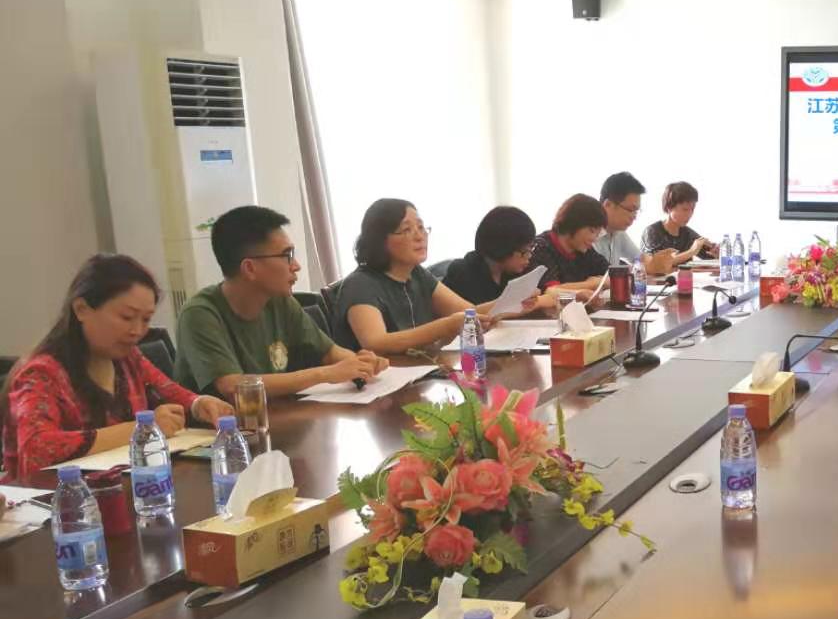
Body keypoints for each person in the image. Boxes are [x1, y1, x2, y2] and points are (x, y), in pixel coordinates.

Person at [3, 255, 231, 478]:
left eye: (146, 319)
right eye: (126, 317)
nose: (137, 331)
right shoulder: (40, 374)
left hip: (124, 486)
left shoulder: (128, 358)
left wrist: (199, 404)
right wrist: (142, 428)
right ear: (81, 309)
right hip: (53, 496)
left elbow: (168, 389)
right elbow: (38, 449)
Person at [174, 205, 389, 398]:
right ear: (250, 268)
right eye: (287, 256)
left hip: (277, 416)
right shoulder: (200, 314)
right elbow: (232, 386)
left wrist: (360, 363)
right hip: (224, 428)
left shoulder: (280, 301)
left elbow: (329, 352)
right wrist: (325, 374)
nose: (296, 266)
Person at [332, 199, 496, 355]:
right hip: (384, 373)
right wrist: (447, 326)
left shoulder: (416, 273)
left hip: (422, 368)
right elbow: (376, 343)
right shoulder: (360, 284)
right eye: (407, 230)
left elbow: (469, 312)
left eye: (421, 227)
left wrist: (510, 303)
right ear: (379, 240)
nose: (420, 236)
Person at [441, 206, 556, 313]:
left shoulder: (514, 271)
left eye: (531, 248)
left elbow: (549, 296)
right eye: (524, 252)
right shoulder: (464, 272)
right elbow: (471, 316)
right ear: (503, 247)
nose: (529, 256)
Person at [526, 194, 610, 295]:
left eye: (598, 233)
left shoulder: (585, 250)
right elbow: (552, 290)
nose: (594, 239)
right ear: (574, 223)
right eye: (592, 231)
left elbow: (611, 274)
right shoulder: (541, 247)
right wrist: (593, 283)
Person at [595, 172, 675, 276]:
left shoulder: (618, 233)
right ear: (608, 205)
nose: (634, 217)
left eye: (636, 211)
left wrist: (655, 262)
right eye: (630, 210)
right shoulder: (587, 235)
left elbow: (640, 258)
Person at [641, 181, 714, 265]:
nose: (690, 214)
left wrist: (716, 252)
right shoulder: (652, 231)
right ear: (669, 208)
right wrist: (691, 251)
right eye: (685, 209)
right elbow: (654, 264)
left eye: (692, 209)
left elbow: (709, 256)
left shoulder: (688, 233)